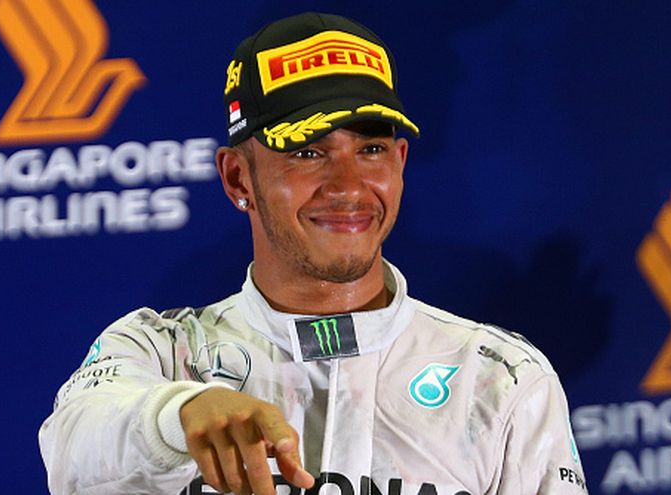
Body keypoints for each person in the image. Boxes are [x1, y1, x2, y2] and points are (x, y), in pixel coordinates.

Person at [39, 12, 588, 495]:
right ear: (238, 178)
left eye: (371, 149)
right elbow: (73, 445)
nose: (349, 186)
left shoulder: (498, 376)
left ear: (400, 162)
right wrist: (180, 414)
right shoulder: (162, 352)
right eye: (307, 152)